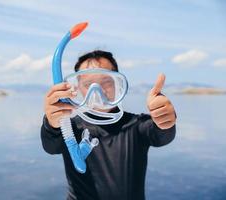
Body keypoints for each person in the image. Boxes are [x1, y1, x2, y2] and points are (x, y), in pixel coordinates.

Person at [41, 50, 177, 200]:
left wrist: (164, 118)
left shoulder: (136, 125)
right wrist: (52, 122)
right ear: (77, 88)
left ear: (117, 83)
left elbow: (162, 135)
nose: (98, 91)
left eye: (106, 82)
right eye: (88, 84)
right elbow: (50, 145)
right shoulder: (70, 128)